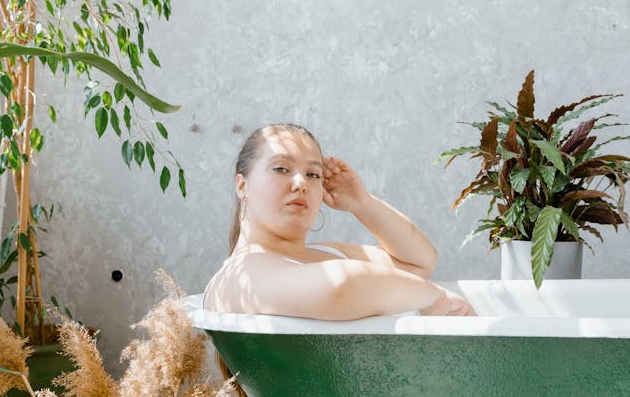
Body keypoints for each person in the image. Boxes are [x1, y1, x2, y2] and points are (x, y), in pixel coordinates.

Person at [202, 123, 476, 319]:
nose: (301, 183)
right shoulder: (238, 276)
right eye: (281, 168)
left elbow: (420, 263)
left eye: (313, 174)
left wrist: (362, 203)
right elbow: (340, 288)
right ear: (242, 185)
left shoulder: (328, 253)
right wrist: (433, 297)